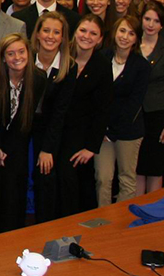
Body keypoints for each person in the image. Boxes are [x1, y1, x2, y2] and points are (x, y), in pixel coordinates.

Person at [0, 34, 46, 234]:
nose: (17, 57)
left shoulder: (38, 78)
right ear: (3, 57)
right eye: (10, 54)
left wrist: (10, 152)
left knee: (15, 199)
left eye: (21, 52)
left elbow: (30, 122)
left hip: (18, 146)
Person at [24, 12, 75, 223]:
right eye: (46, 30)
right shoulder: (24, 59)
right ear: (37, 34)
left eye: (56, 32)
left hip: (51, 134)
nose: (50, 36)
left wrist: (47, 149)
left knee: (46, 183)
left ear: (63, 38)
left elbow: (60, 113)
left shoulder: (69, 66)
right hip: (24, 130)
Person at [95, 15, 150, 207]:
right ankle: (102, 220)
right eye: (122, 30)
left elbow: (134, 104)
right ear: (114, 32)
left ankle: (122, 222)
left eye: (131, 33)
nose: (125, 36)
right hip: (102, 132)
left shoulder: (141, 66)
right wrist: (104, 129)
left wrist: (113, 131)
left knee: (126, 179)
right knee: (103, 177)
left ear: (137, 38)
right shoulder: (101, 58)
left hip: (129, 132)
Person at [59, 15, 111, 214]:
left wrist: (91, 147)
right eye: (83, 30)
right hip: (56, 132)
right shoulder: (62, 55)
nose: (86, 36)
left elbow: (103, 108)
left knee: (77, 186)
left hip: (82, 137)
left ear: (99, 39)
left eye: (93, 33)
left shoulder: (102, 65)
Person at [134, 3, 164, 195]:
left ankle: (152, 208)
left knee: (154, 167)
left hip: (157, 114)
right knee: (135, 166)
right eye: (147, 19)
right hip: (134, 114)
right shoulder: (132, 45)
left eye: (156, 21)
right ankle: (134, 207)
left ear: (162, 25)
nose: (151, 24)